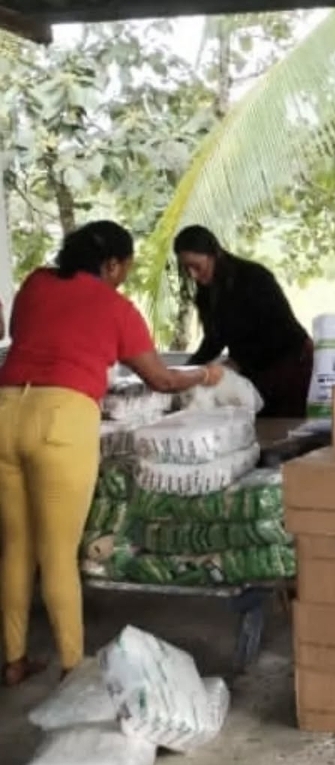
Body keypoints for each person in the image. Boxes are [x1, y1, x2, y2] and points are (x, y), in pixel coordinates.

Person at [0, 220, 223, 686]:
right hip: (62, 421)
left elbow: (25, 334)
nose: (123, 278)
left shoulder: (35, 283)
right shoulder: (115, 308)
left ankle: (15, 661)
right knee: (58, 553)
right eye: (125, 269)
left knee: (17, 545)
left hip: (5, 412)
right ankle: (72, 667)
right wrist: (205, 375)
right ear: (112, 264)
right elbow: (161, 379)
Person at [174, 225, 313, 418]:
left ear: (214, 254)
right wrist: (188, 371)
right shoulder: (205, 294)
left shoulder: (255, 278)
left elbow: (277, 333)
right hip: (253, 368)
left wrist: (238, 363)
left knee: (282, 425)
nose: (192, 275)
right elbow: (214, 340)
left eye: (197, 266)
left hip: (289, 363)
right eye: (186, 268)